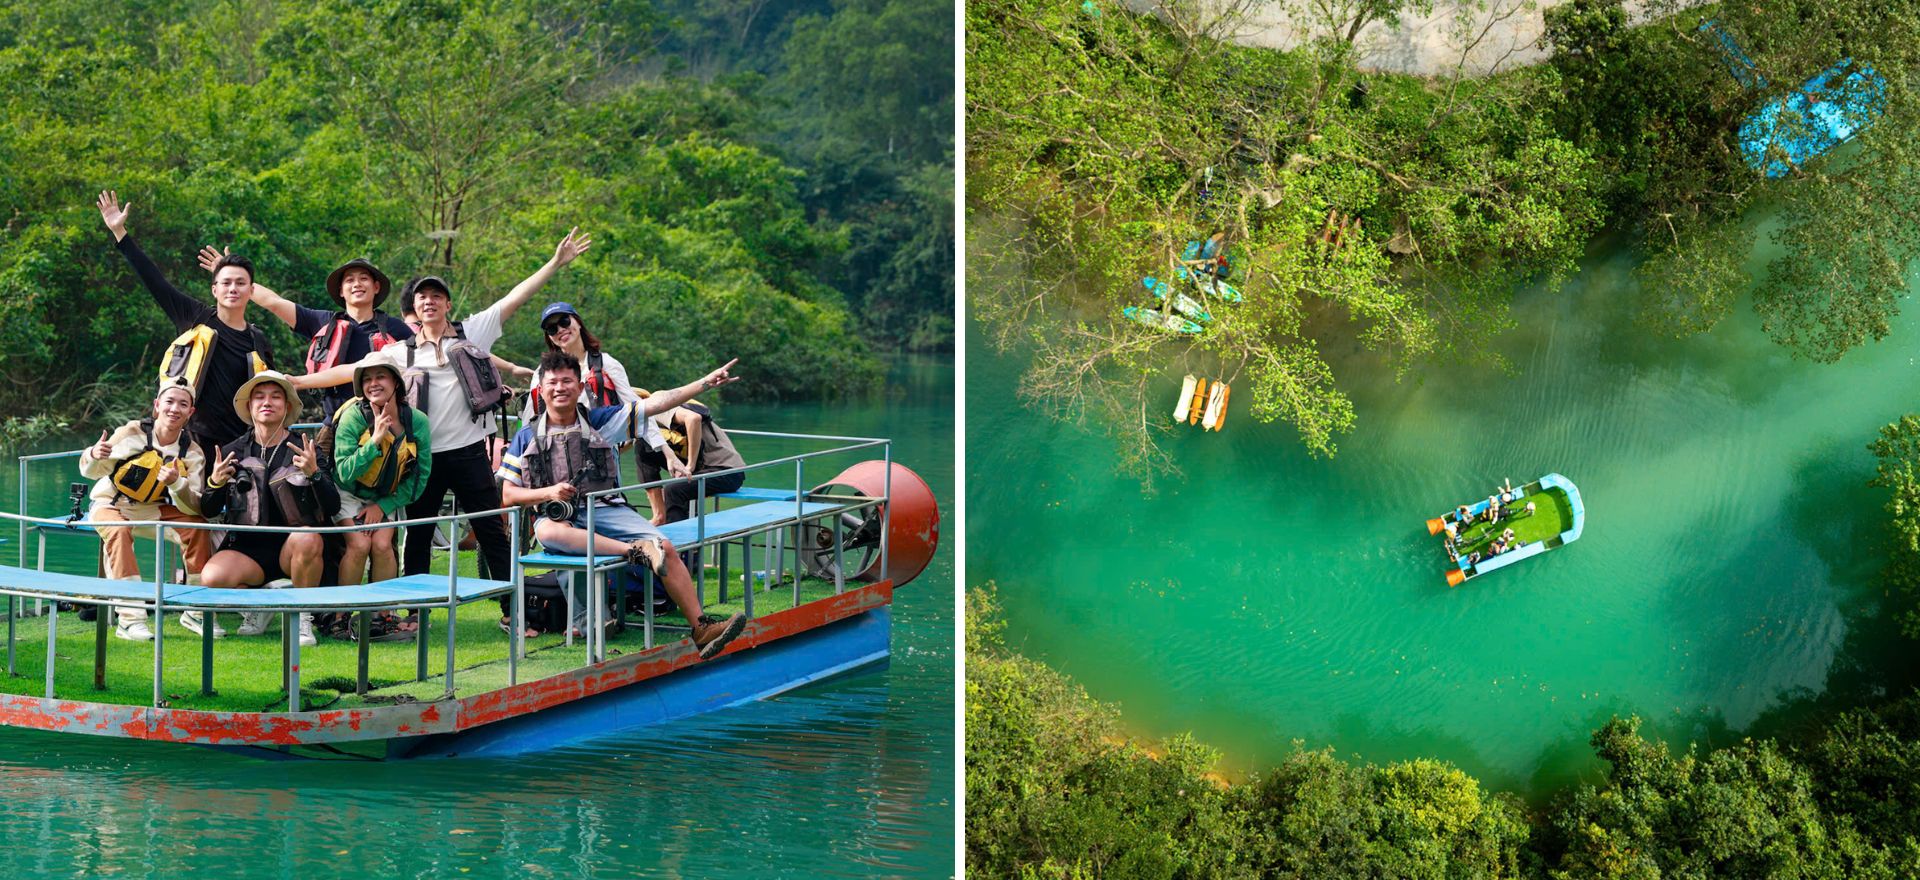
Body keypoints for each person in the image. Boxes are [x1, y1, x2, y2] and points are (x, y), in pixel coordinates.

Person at [293, 230, 592, 584]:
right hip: (424, 455)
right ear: (415, 309)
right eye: (422, 298)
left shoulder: (471, 334)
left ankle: (511, 610)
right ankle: (416, 612)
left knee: (490, 530)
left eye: (437, 296)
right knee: (418, 535)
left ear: (447, 305)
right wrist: (295, 381)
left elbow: (514, 299)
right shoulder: (399, 352)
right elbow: (345, 371)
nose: (429, 302)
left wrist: (555, 262)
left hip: (469, 453)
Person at [498, 350, 746, 657]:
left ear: (580, 388)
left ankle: (702, 627)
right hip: (559, 519)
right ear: (540, 390)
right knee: (548, 533)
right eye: (552, 383)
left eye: (567, 381)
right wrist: (547, 493)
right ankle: (633, 551)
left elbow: (657, 402)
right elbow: (509, 495)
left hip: (605, 507)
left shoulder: (603, 421)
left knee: (666, 547)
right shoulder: (526, 436)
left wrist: (704, 384)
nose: (560, 388)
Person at [96, 191, 273, 455]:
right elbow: (155, 281)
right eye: (225, 283)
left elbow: (272, 393)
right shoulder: (196, 316)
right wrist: (120, 232)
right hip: (188, 440)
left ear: (251, 290)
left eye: (240, 283)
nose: (232, 289)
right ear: (214, 289)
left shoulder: (258, 340)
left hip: (239, 443)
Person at [199, 372, 340, 646]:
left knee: (308, 537)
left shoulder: (305, 448)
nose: (267, 402)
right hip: (248, 550)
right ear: (250, 406)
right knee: (211, 578)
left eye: (276, 396)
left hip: (295, 546)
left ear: (287, 406)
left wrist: (314, 474)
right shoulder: (233, 450)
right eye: (260, 397)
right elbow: (208, 509)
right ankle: (260, 608)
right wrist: (215, 482)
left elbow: (332, 505)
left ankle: (302, 618)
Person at [197, 250, 412, 418]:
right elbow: (274, 302)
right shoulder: (324, 322)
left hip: (385, 418)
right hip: (337, 421)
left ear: (376, 287)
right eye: (349, 280)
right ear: (340, 290)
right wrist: (227, 272)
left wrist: (301, 381)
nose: (356, 284)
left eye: (363, 278)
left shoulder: (397, 329)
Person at [78, 378, 214, 640]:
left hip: (153, 509)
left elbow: (194, 503)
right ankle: (130, 619)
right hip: (111, 504)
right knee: (119, 533)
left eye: (183, 404)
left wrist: (177, 483)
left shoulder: (192, 451)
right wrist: (94, 454)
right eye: (169, 402)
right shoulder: (130, 433)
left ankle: (197, 610)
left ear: (191, 412)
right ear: (157, 404)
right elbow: (92, 472)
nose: (174, 409)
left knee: (197, 527)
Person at [315, 361, 434, 640]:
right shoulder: (354, 417)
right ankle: (341, 615)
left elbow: (420, 477)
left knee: (382, 544)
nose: (373, 383)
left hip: (383, 496)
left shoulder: (417, 421)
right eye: (367, 379)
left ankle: (381, 615)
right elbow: (344, 470)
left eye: (381, 376)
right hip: (346, 492)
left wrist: (383, 506)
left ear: (396, 383)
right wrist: (375, 440)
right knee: (359, 543)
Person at [634, 395, 748, 526]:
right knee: (642, 446)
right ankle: (660, 516)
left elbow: (693, 418)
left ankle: (676, 536)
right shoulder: (644, 421)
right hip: (707, 467)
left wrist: (690, 466)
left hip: (727, 472)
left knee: (673, 490)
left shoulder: (657, 407)